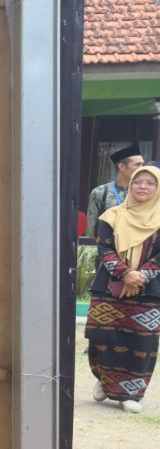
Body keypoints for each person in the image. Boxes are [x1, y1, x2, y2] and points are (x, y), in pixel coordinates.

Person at [87, 163, 160, 412]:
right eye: (139, 182)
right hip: (109, 287)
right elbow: (104, 248)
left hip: (148, 291)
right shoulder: (112, 216)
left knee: (141, 342)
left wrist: (141, 276)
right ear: (130, 184)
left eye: (151, 183)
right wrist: (125, 273)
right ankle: (104, 380)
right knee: (102, 337)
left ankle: (131, 394)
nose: (143, 187)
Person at [87, 145, 146, 232]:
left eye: (142, 164)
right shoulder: (101, 192)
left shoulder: (144, 191)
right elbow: (91, 228)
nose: (142, 168)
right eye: (137, 164)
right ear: (122, 167)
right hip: (107, 244)